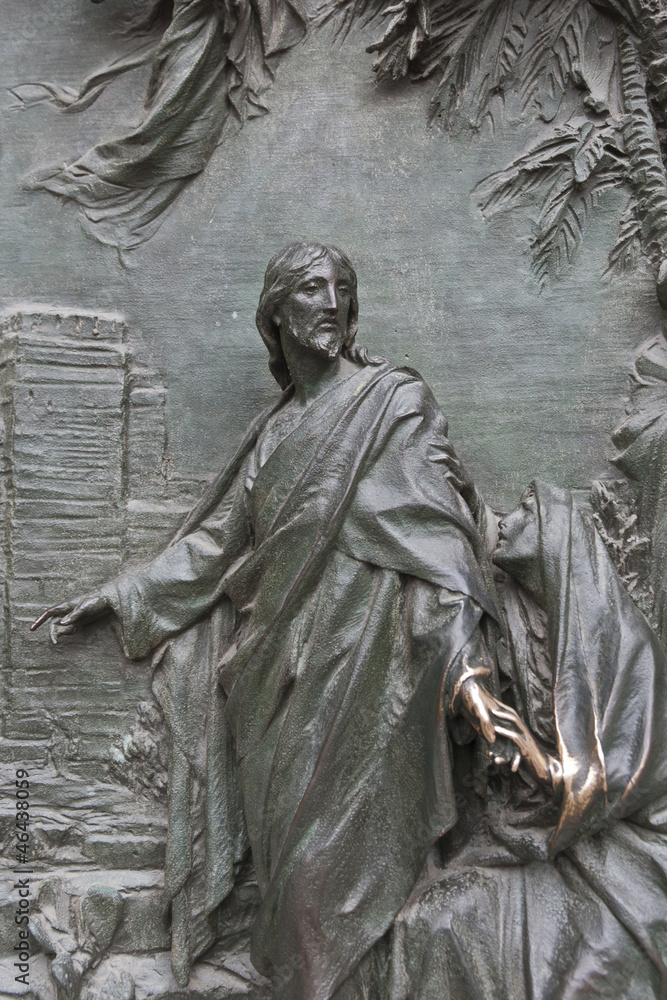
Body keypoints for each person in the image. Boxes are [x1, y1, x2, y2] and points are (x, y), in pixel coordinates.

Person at [32, 242, 556, 1000]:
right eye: (311, 289)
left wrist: (465, 675)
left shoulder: (392, 404)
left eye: (342, 289)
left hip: (373, 672)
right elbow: (217, 545)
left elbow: (438, 540)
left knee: (338, 878)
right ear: (275, 313)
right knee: (291, 877)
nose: (331, 303)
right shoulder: (273, 436)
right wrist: (121, 595)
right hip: (278, 680)